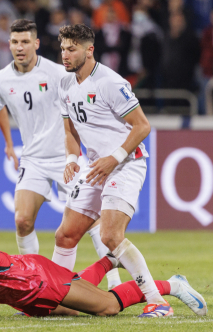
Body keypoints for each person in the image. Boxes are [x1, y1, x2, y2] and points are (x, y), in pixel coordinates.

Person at [0, 183, 206, 324]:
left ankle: (171, 285)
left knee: (107, 307)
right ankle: (109, 260)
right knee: (79, 300)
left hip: (41, 281)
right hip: (27, 299)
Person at [0, 19, 121, 289]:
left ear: (36, 44)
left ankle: (113, 281)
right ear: (8, 44)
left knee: (90, 223)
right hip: (33, 159)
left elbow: (82, 104)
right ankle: (34, 281)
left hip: (66, 159)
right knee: (21, 221)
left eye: (24, 42)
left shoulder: (58, 74)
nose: (19, 47)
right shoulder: (1, 79)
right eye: (14, 42)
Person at [55, 24, 167, 317]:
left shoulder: (109, 82)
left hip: (125, 164)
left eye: (72, 49)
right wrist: (71, 159)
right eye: (63, 48)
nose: (65, 55)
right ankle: (55, 298)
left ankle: (158, 301)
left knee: (110, 236)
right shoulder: (65, 84)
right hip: (95, 167)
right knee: (65, 235)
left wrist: (114, 158)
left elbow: (142, 125)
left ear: (89, 50)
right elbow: (70, 129)